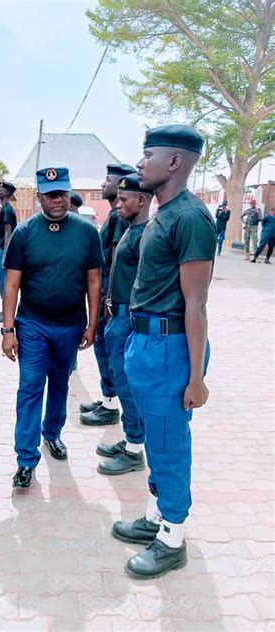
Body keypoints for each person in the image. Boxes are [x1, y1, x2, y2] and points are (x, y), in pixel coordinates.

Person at [112, 124, 216, 579]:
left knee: (170, 443)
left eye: (147, 154)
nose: (140, 163)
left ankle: (172, 535)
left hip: (170, 346)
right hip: (145, 340)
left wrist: (196, 378)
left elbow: (196, 303)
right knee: (156, 439)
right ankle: (157, 515)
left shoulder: (191, 217)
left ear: (175, 162)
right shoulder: (164, 213)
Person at [2, 167, 103, 488]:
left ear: (69, 193)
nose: (56, 199)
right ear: (39, 197)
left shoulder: (87, 233)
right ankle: (25, 459)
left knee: (59, 383)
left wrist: (92, 323)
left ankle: (52, 434)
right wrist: (7, 330)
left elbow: (94, 280)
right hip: (32, 324)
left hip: (70, 325)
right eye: (49, 194)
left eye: (61, 193)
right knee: (30, 387)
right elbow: (11, 285)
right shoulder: (25, 233)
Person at [97, 173, 153, 476]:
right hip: (116, 315)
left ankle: (134, 449)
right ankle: (132, 439)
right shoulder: (132, 229)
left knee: (127, 385)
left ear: (142, 200)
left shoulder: (146, 234)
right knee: (120, 380)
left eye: (125, 199)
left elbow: (144, 285)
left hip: (128, 321)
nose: (118, 205)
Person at [79, 163, 136, 427]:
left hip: (109, 295)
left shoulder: (117, 217)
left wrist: (107, 300)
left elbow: (112, 264)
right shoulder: (117, 215)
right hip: (106, 293)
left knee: (107, 350)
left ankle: (111, 404)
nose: (103, 184)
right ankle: (109, 399)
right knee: (104, 350)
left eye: (108, 180)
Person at [0, 181, 17, 323]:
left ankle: (7, 313)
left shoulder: (7, 210)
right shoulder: (4, 208)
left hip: (5, 250)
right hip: (2, 249)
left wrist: (5, 257)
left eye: (0, 189)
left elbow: (8, 234)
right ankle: (4, 310)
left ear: (7, 193)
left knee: (4, 283)